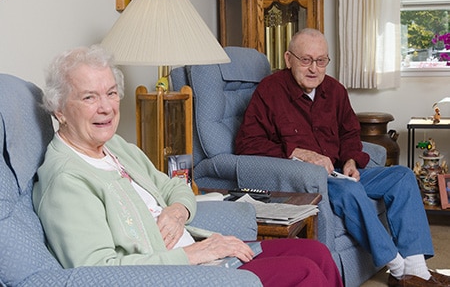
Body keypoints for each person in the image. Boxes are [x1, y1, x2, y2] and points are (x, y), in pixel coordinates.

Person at [32, 45, 343, 287]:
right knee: (303, 273)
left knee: (317, 252)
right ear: (59, 109)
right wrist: (192, 254)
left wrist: (177, 211)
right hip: (179, 274)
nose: (106, 107)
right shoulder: (66, 180)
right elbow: (97, 274)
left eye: (111, 93)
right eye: (89, 97)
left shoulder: (115, 147)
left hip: (199, 253)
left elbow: (175, 186)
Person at [235, 28, 450, 287]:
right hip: (308, 181)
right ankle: (398, 267)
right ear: (288, 58)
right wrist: (297, 152)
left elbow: (350, 133)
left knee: (402, 176)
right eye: (306, 60)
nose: (314, 68)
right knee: (350, 193)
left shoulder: (335, 90)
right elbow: (247, 143)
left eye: (321, 60)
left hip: (339, 171)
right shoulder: (269, 91)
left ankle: (417, 270)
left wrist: (351, 161)